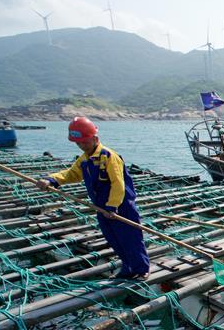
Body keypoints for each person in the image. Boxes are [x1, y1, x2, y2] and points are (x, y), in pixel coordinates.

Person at [36, 116, 150, 280]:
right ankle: (128, 268)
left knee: (130, 237)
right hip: (101, 207)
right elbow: (72, 174)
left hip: (121, 205)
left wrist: (112, 206)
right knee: (114, 239)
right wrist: (52, 179)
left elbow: (118, 184)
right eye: (79, 143)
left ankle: (141, 269)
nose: (82, 146)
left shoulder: (109, 156)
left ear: (95, 138)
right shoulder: (84, 160)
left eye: (85, 142)